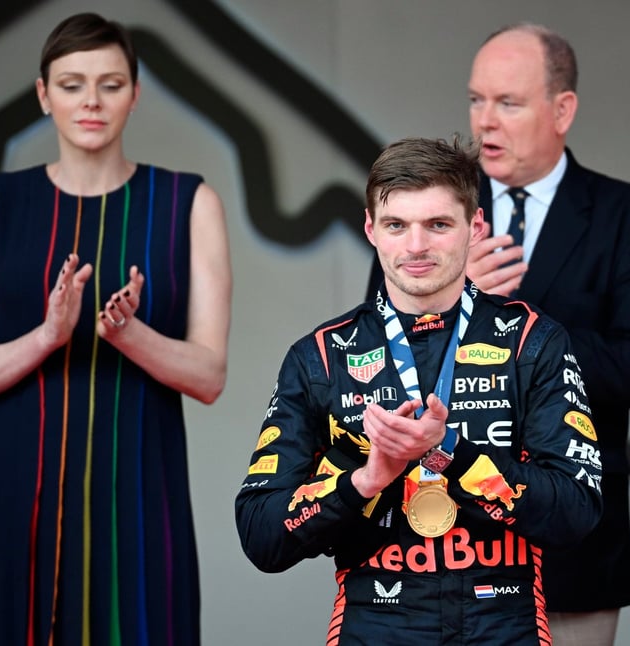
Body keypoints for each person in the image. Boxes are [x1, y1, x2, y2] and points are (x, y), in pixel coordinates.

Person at [236, 136, 603, 645]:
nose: (415, 246)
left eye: (437, 224)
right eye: (396, 225)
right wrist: (365, 479)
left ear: (474, 228)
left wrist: (448, 454)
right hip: (375, 628)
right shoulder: (321, 355)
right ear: (371, 230)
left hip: (504, 629)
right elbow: (261, 536)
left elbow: (577, 511)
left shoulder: (532, 342)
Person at [0, 13, 232, 645]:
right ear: (43, 95)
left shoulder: (188, 202)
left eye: (109, 83)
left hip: (139, 490)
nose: (91, 101)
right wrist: (47, 335)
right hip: (16, 494)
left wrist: (131, 335)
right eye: (72, 84)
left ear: (134, 93)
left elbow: (209, 376)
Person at [465, 22, 630, 645]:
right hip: (439, 538)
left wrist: (513, 324)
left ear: (563, 110)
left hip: (571, 535)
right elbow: (375, 360)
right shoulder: (431, 211)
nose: (485, 122)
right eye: (476, 99)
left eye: (508, 102)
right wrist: (454, 304)